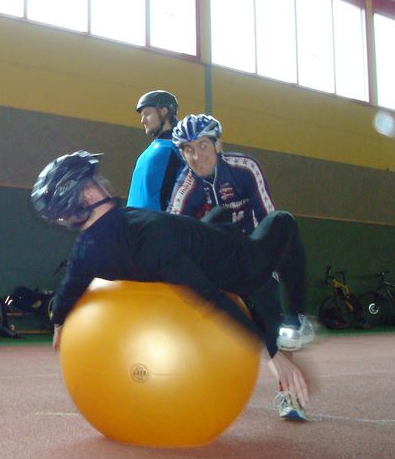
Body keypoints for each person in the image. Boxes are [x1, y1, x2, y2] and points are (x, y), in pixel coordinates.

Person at [31, 150, 310, 418]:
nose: (102, 182)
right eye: (95, 181)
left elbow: (69, 288)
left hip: (206, 242)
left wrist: (59, 321)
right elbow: (208, 295)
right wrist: (271, 352)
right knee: (282, 220)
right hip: (243, 266)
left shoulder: (85, 253)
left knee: (220, 214)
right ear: (89, 195)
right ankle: (296, 319)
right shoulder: (146, 234)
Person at [167, 114, 313, 350]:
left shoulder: (245, 168)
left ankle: (294, 320)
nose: (196, 156)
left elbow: (269, 220)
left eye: (203, 145)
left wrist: (272, 271)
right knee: (213, 218)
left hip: (253, 255)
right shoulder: (185, 186)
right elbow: (169, 234)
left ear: (218, 144)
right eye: (188, 149)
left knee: (282, 221)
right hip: (220, 265)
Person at [126, 90, 184, 211]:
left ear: (164, 111)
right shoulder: (156, 147)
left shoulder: (178, 149)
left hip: (157, 221)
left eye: (147, 114)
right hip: (136, 220)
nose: (142, 120)